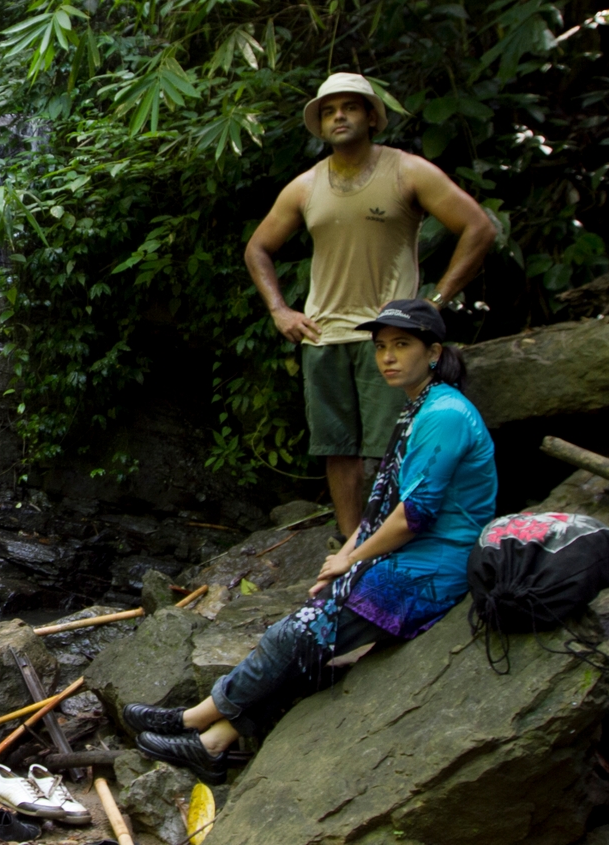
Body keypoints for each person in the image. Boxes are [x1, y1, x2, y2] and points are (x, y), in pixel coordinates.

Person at [125, 298, 496, 784]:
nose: (387, 357)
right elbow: (385, 505)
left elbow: (414, 515)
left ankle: (193, 719)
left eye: (401, 345)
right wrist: (343, 554)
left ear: (433, 352)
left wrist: (353, 561)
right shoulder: (419, 407)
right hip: (411, 556)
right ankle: (212, 745)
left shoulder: (443, 414)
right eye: (381, 346)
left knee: (295, 634)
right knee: (311, 631)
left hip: (434, 569)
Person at [243, 73, 495, 538]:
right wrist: (280, 310)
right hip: (322, 336)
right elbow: (258, 248)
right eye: (328, 110)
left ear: (372, 117)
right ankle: (349, 542)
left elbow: (478, 227)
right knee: (337, 449)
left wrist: (436, 302)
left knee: (392, 446)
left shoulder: (407, 171)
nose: (339, 115)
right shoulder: (305, 186)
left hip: (390, 336)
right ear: (319, 124)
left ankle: (392, 543)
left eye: (350, 107)